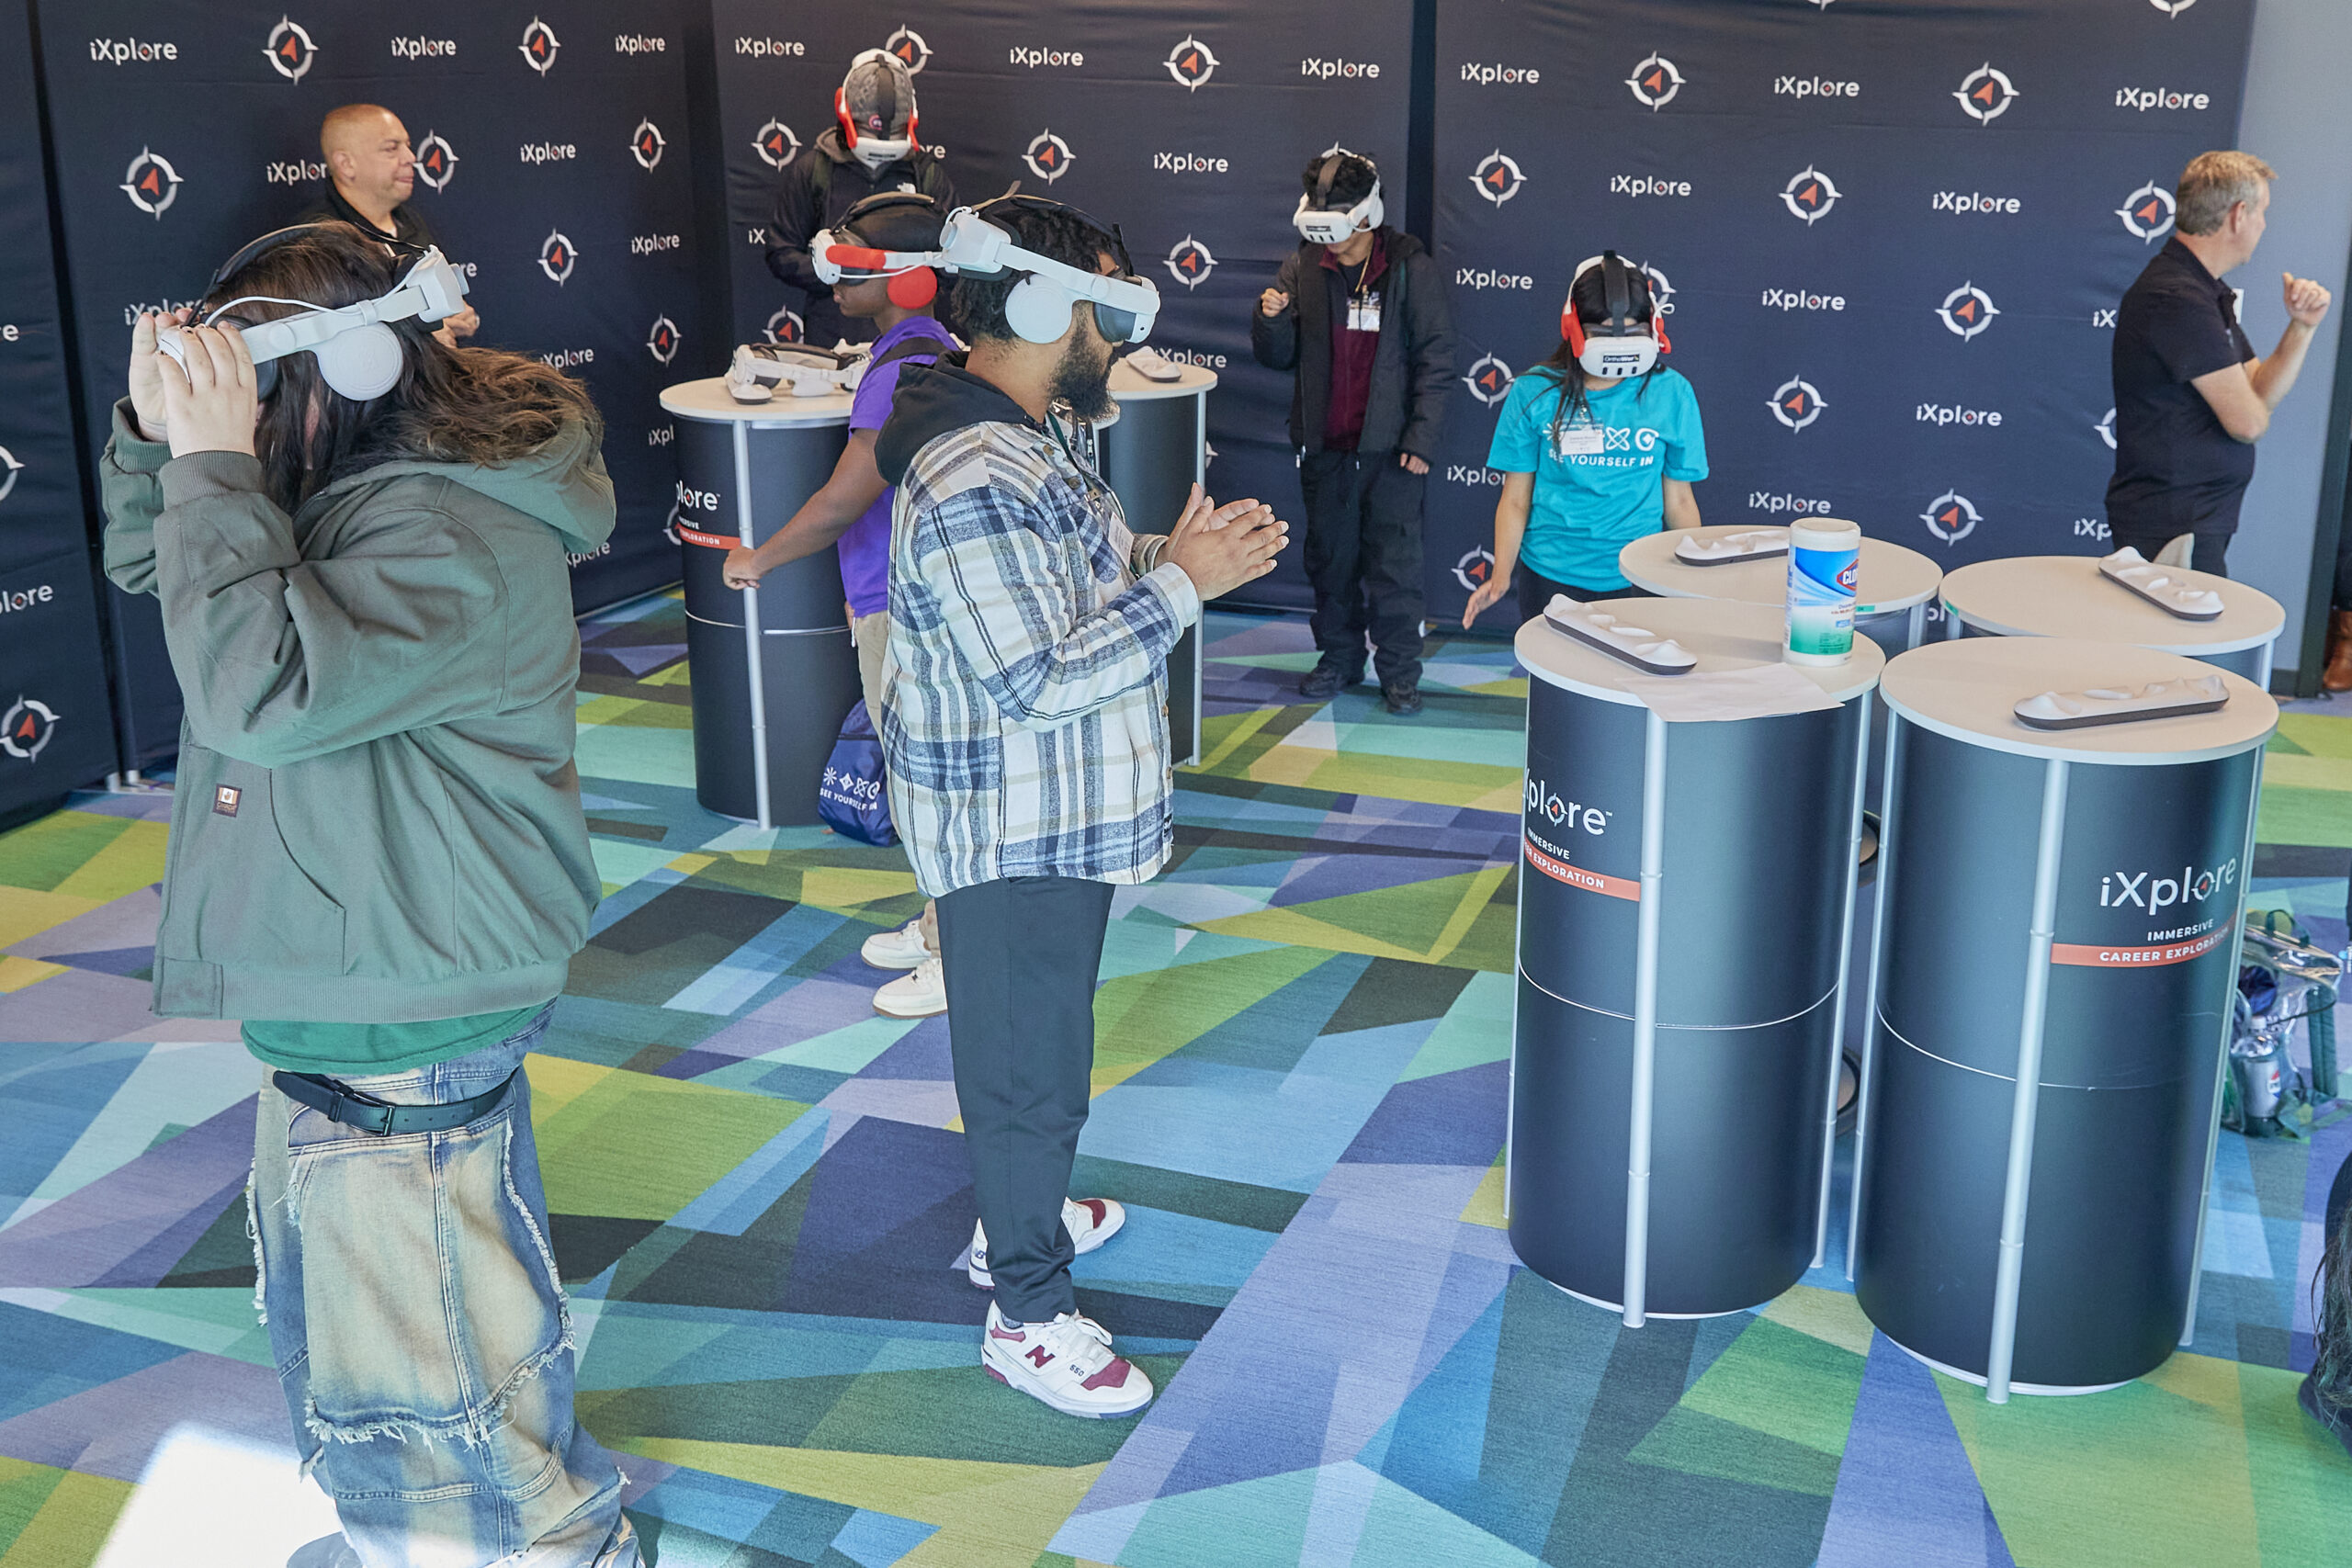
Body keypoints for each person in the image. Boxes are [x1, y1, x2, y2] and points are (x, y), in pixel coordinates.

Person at [98, 222, 636, 1568]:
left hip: (406, 983)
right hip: (369, 958)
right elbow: (161, 568)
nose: (235, 412)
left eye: (251, 385)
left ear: (340, 369)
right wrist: (164, 436)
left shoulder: (445, 526)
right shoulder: (359, 477)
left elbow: (259, 688)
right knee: (400, 1320)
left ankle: (541, 1544)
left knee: (423, 1352)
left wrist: (214, 465)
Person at [875, 193, 1288, 1417]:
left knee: (1043, 1049)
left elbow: (1076, 582)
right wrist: (1185, 588)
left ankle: (1023, 1212)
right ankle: (1027, 1311)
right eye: (1110, 308)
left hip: (1053, 814)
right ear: (1049, 306)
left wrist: (1172, 558)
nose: (1121, 336)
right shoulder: (975, 471)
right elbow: (1038, 677)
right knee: (1025, 1074)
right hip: (1011, 830)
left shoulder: (1028, 435)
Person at [723, 191, 957, 1020]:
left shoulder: (900, 368)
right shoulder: (922, 348)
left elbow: (838, 503)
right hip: (902, 594)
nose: (835, 279)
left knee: (927, 786)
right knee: (925, 775)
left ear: (912, 279)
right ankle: (940, 925)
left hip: (899, 603)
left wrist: (757, 559)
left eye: (856, 265)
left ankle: (959, 954)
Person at [1251, 148, 1453, 714]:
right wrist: (1270, 320)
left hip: (1392, 456)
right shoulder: (1303, 266)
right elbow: (1278, 356)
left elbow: (1437, 358)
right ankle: (1340, 659)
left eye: (1338, 230)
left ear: (1367, 214)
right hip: (1325, 452)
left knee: (1396, 572)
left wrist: (1420, 439)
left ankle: (1400, 673)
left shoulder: (1410, 268)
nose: (1332, 244)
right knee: (1330, 567)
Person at [2106, 150, 2332, 578]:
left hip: (2192, 521)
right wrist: (2253, 411)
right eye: (2262, 212)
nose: (2263, 225)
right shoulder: (2176, 297)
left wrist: (2302, 327)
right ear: (2239, 215)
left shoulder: (2202, 290)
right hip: (2174, 525)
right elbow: (2248, 423)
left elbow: (2258, 389)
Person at [1462, 252, 1707, 628]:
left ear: (1653, 327)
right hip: (1551, 575)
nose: (1619, 347)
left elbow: (1680, 500)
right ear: (1573, 325)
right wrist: (1500, 577)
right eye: (1604, 333)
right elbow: (1515, 499)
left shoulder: (1673, 393)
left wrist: (1695, 580)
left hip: (1638, 575)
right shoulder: (1534, 391)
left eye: (1633, 333)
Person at [765, 50, 956, 350]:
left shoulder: (927, 174)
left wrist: (903, 280)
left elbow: (955, 257)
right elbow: (782, 251)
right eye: (869, 128)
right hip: (833, 333)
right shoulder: (814, 170)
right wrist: (841, 275)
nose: (881, 139)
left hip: (910, 336)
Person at [299, 104, 480, 348]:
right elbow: (332, 340)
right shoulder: (314, 241)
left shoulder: (410, 219)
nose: (411, 158)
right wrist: (420, 338)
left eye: (408, 146)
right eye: (391, 149)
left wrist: (456, 313)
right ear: (346, 164)